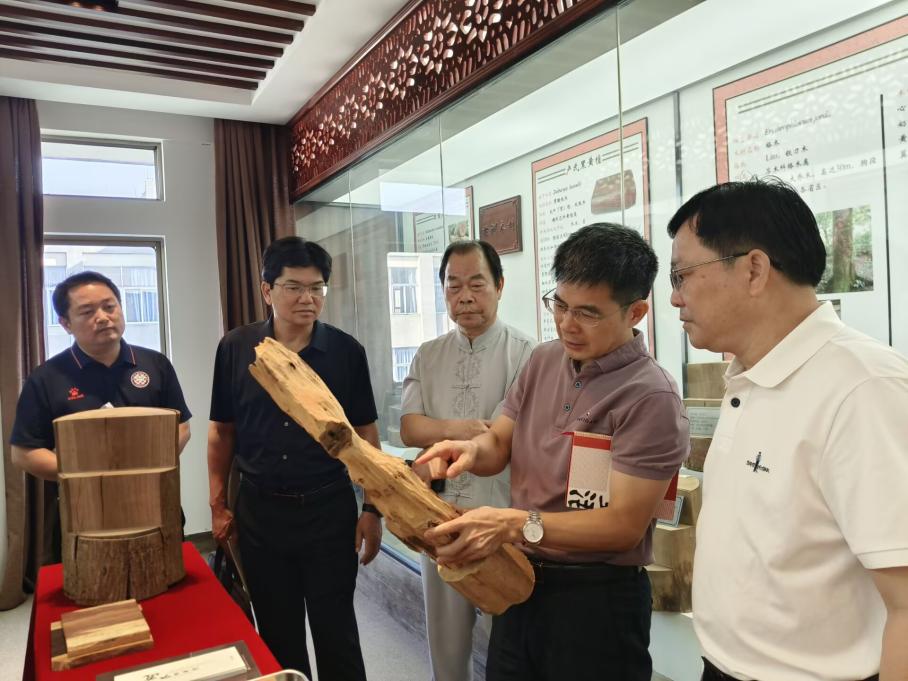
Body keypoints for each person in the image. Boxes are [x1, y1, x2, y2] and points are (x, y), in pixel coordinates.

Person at [416, 224, 689, 681]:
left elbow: (622, 526)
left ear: (636, 311)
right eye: (559, 305)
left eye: (588, 313)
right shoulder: (543, 360)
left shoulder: (650, 396)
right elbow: (499, 442)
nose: (567, 324)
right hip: (519, 580)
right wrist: (468, 450)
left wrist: (515, 523)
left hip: (596, 600)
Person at [666, 179, 908, 681]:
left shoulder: (863, 387)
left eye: (682, 275)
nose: (674, 297)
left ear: (754, 269)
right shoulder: (749, 375)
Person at [207, 236, 382, 681]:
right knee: (277, 633)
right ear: (267, 290)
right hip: (261, 512)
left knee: (337, 632)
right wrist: (218, 504)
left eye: (317, 287)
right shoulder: (236, 347)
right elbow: (222, 432)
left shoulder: (346, 352)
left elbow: (366, 435)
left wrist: (372, 509)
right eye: (294, 287)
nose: (308, 298)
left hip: (328, 510)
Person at [400, 240, 534, 681]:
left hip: (500, 517)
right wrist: (462, 428)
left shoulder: (527, 353)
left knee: (508, 645)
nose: (465, 297)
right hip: (438, 514)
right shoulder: (428, 353)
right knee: (446, 644)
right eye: (453, 286)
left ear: (500, 286)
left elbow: (501, 437)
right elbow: (409, 428)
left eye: (477, 284)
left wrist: (438, 429)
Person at [10, 271, 192, 561]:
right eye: (87, 311)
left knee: (164, 576)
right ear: (66, 323)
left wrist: (145, 467)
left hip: (154, 500)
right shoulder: (46, 379)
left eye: (110, 306)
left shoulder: (155, 364)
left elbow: (181, 427)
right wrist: (92, 475)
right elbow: (24, 453)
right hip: (82, 511)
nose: (103, 317)